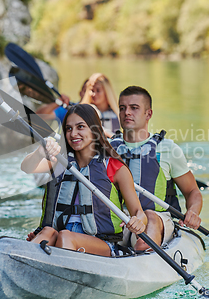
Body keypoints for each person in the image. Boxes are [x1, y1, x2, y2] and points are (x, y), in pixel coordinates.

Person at [21, 104, 147, 256]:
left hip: (100, 243)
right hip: (58, 234)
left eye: (80, 127)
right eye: (68, 128)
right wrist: (39, 153)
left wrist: (138, 221)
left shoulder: (115, 167)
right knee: (48, 231)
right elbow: (27, 167)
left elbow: (139, 212)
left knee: (65, 235)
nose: (73, 134)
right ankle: (22, 258)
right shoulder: (59, 161)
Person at [109, 86, 203, 250]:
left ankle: (144, 253)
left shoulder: (168, 149)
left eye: (134, 108)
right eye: (122, 108)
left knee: (150, 217)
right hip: (118, 220)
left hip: (157, 220)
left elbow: (192, 191)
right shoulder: (107, 150)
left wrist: (193, 212)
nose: (127, 113)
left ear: (149, 114)